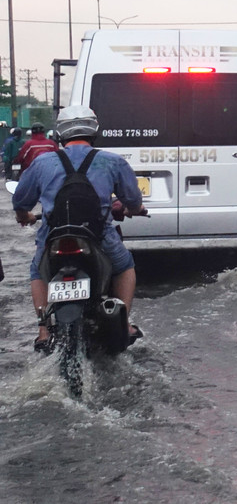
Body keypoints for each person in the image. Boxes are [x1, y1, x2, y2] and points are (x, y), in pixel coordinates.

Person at [12, 106, 144, 352]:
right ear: (93, 130)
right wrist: (134, 209)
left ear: (61, 133)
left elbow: (20, 202)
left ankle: (43, 331)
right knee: (124, 266)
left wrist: (25, 217)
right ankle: (123, 324)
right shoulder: (112, 161)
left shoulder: (42, 163)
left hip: (53, 238)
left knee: (37, 271)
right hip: (98, 237)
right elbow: (133, 201)